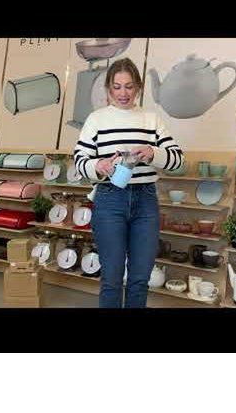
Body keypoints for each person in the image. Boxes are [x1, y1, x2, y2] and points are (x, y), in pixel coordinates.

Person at [73, 58, 184, 308]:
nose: (123, 93)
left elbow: (178, 159)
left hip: (145, 201)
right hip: (109, 199)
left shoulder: (151, 119)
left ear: (139, 87)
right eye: (117, 87)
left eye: (129, 86)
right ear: (108, 89)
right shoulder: (96, 119)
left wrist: (154, 153)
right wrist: (98, 165)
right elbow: (80, 160)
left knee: (140, 279)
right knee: (111, 279)